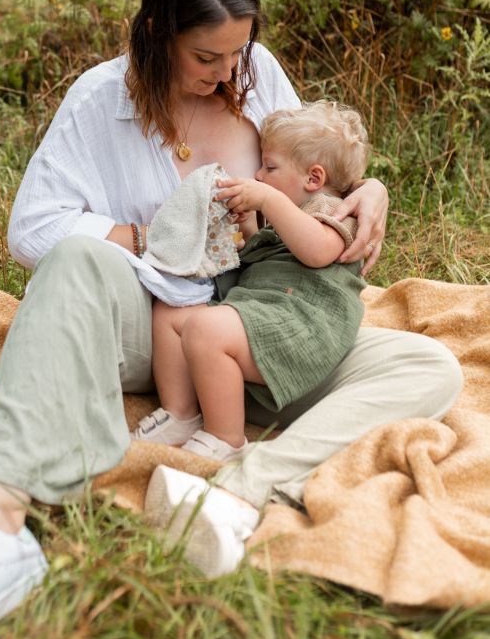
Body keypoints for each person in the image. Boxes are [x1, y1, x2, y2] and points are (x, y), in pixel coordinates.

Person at [0, 0, 462, 639]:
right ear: (156, 31)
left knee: (429, 366)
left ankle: (239, 483)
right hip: (153, 325)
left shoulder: (256, 77)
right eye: (206, 55)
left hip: (261, 327)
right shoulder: (100, 99)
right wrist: (160, 234)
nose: (227, 72)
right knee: (73, 259)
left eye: (237, 52)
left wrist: (369, 189)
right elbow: (30, 228)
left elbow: (320, 165)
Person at [133, 100, 370, 462]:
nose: (259, 175)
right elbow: (257, 258)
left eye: (270, 167)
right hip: (261, 309)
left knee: (207, 329)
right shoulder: (284, 219)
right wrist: (246, 225)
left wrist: (269, 200)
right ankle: (181, 412)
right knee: (172, 311)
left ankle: (227, 437)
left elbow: (318, 251)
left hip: (303, 324)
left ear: (314, 178)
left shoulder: (334, 212)